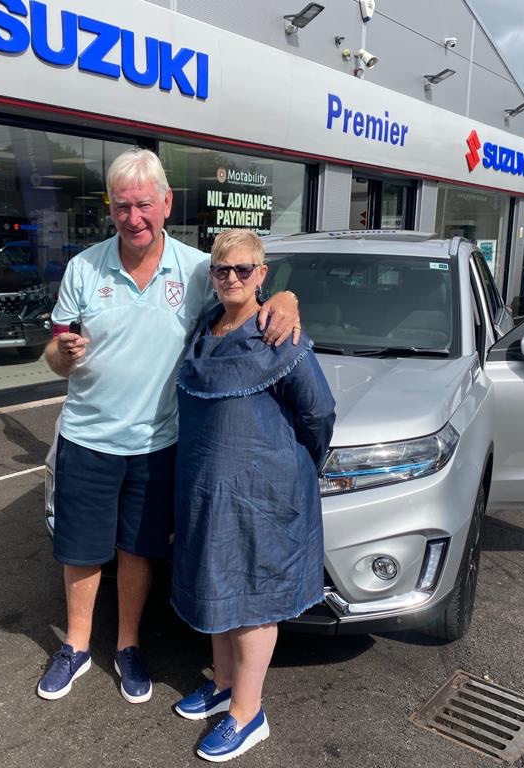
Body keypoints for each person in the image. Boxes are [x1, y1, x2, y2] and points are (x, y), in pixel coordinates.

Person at [38, 149, 300, 704]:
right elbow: (55, 356)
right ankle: (78, 646)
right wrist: (62, 354)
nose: (134, 218)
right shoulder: (83, 268)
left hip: (160, 441)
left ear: (166, 203)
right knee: (81, 551)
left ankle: (128, 646)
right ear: (110, 208)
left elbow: (244, 299)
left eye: (144, 205)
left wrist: (287, 297)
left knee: (138, 549)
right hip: (88, 435)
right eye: (122, 206)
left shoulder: (197, 269)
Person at [170, 229, 335, 762]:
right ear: (212, 274)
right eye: (223, 270)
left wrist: (285, 465)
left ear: (262, 275)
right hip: (206, 489)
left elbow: (319, 414)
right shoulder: (204, 328)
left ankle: (249, 712)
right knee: (217, 585)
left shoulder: (278, 335)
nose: (233, 279)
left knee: (253, 599)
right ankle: (222, 687)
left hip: (262, 492)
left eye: (245, 270)